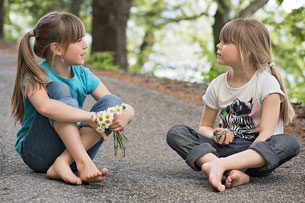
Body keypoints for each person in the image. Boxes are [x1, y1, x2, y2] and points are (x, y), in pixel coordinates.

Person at [166, 18, 300, 192]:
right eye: (221, 41)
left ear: (247, 51)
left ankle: (217, 167)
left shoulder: (267, 84)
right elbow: (205, 126)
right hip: (223, 149)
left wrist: (240, 165)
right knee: (177, 132)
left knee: (291, 142)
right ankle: (224, 169)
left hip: (255, 157)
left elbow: (266, 135)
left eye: (226, 42)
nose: (218, 45)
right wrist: (215, 133)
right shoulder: (217, 84)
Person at [10, 11, 134, 185]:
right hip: (38, 153)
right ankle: (82, 162)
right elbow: (45, 108)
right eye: (78, 41)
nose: (85, 45)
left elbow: (113, 102)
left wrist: (128, 112)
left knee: (112, 102)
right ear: (57, 48)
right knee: (59, 89)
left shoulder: (83, 75)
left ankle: (64, 162)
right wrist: (91, 117)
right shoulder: (36, 76)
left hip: (74, 151)